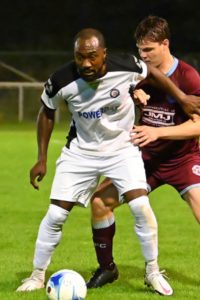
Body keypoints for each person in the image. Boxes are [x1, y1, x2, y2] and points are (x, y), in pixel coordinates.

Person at [16, 27, 198, 295]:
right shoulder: (62, 79)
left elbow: (154, 73)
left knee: (141, 207)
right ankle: (37, 275)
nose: (86, 63)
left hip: (122, 151)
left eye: (92, 56)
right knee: (56, 214)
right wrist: (41, 158)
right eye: (80, 57)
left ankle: (152, 271)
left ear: (104, 54)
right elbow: (47, 112)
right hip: (80, 153)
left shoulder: (125, 65)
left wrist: (181, 98)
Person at [85, 16, 200, 295]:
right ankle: (107, 268)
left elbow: (198, 125)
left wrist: (157, 133)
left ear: (165, 44)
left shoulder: (188, 77)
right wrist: (132, 95)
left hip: (183, 159)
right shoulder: (136, 74)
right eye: (140, 50)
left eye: (149, 50)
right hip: (144, 161)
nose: (143, 56)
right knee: (100, 202)